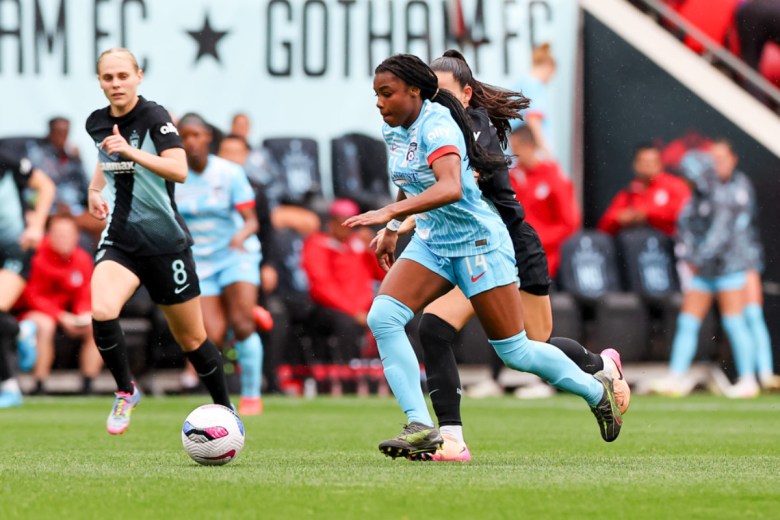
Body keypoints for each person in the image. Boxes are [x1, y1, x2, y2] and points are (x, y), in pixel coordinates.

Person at [344, 54, 623, 460]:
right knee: (384, 317)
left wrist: (390, 213)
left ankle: (596, 390)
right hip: (434, 242)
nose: (378, 103)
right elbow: (409, 177)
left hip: (479, 243)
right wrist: (391, 229)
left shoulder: (440, 125)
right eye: (376, 95)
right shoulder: (395, 130)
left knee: (518, 352)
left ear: (414, 92)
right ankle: (422, 425)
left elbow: (450, 187)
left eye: (385, 94)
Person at [85, 48, 233, 434]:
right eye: (107, 78)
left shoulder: (154, 117)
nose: (115, 84)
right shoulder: (96, 122)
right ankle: (125, 390)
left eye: (122, 76)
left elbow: (179, 169)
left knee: (193, 339)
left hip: (166, 244)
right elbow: (106, 162)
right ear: (99, 81)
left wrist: (131, 151)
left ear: (138, 76)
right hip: (121, 238)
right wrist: (94, 189)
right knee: (102, 309)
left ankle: (226, 409)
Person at [652, 140, 760, 398]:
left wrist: (698, 257)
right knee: (688, 322)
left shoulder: (722, 196)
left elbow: (720, 234)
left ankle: (748, 380)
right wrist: (692, 255)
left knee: (734, 323)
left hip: (728, 270)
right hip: (704, 273)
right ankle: (675, 377)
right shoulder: (695, 198)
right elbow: (684, 226)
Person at [175, 113, 265, 416]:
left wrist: (241, 236)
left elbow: (252, 221)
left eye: (196, 135)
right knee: (209, 335)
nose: (190, 142)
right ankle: (223, 398)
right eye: (184, 136)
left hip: (235, 254)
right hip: (201, 262)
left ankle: (252, 397)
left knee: (241, 324)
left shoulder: (228, 173)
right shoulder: (174, 176)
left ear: (208, 138)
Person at [301, 198, 386, 394]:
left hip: (362, 308)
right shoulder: (317, 244)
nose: (347, 226)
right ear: (331, 222)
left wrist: (372, 250)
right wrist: (353, 312)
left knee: (399, 319)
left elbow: (383, 274)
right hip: (331, 309)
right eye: (342, 220)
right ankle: (348, 384)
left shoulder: (359, 245)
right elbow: (321, 287)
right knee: (345, 325)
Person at [15, 214, 102, 395]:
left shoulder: (82, 259)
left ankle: (88, 384)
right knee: (45, 325)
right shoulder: (36, 256)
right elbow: (32, 296)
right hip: (31, 312)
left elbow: (85, 292)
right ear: (49, 235)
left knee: (97, 325)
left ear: (76, 236)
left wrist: (82, 315)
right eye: (59, 234)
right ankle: (39, 384)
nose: (64, 239)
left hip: (67, 313)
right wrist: (60, 316)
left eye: (68, 234)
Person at [0, 151, 55, 407]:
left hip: (14, 248)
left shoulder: (6, 159)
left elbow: (45, 185)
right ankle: (20, 331)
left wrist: (37, 225)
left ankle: (9, 388)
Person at [508, 125, 580, 279]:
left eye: (517, 148)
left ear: (531, 146)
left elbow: (569, 223)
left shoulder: (554, 177)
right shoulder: (512, 178)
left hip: (545, 258)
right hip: (514, 256)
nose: (513, 154)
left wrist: (536, 240)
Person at [33, 117, 105, 247]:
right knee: (65, 232)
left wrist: (79, 161)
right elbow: (35, 188)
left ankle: (96, 262)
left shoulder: (71, 157)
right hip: (51, 210)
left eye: (65, 132)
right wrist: (58, 204)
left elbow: (86, 186)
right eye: (58, 132)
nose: (62, 136)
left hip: (74, 209)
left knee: (101, 223)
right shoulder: (38, 156)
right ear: (50, 132)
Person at [598, 143, 691, 237]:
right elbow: (604, 225)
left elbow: (686, 214)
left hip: (671, 243)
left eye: (652, 161)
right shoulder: (629, 191)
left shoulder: (675, 185)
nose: (648, 165)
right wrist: (620, 218)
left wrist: (648, 215)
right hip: (638, 245)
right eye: (644, 161)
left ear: (660, 163)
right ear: (635, 164)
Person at [510, 43, 557, 159]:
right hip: (529, 152)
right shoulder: (534, 86)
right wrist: (547, 152)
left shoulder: (522, 84)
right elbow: (533, 120)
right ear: (548, 67)